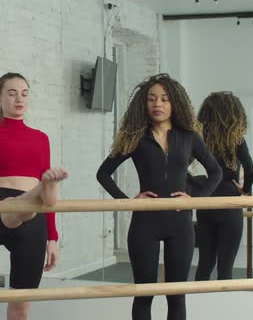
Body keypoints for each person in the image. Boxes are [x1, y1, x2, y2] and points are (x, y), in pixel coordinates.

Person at [96, 74, 222, 320]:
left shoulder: (189, 136)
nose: (158, 104)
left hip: (180, 224)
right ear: (144, 104)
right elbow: (103, 174)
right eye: (152, 99)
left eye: (164, 99)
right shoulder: (135, 137)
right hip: (145, 224)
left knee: (176, 295)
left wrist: (195, 200)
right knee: (144, 294)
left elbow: (215, 172)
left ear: (174, 104)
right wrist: (128, 202)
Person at [0, 72, 68, 320]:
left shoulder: (41, 139)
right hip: (1, 209)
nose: (19, 98)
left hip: (36, 220)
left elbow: (47, 210)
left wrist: (52, 237)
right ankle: (40, 190)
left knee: (21, 307)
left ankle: (41, 191)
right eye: (11, 93)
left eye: (24, 93)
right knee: (18, 205)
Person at [193, 91, 253, 281]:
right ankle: (224, 305)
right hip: (230, 204)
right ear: (235, 115)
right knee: (225, 266)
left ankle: (198, 302)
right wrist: (245, 190)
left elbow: (180, 166)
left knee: (205, 262)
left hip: (206, 203)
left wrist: (199, 183)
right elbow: (250, 170)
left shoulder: (200, 139)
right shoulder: (236, 140)